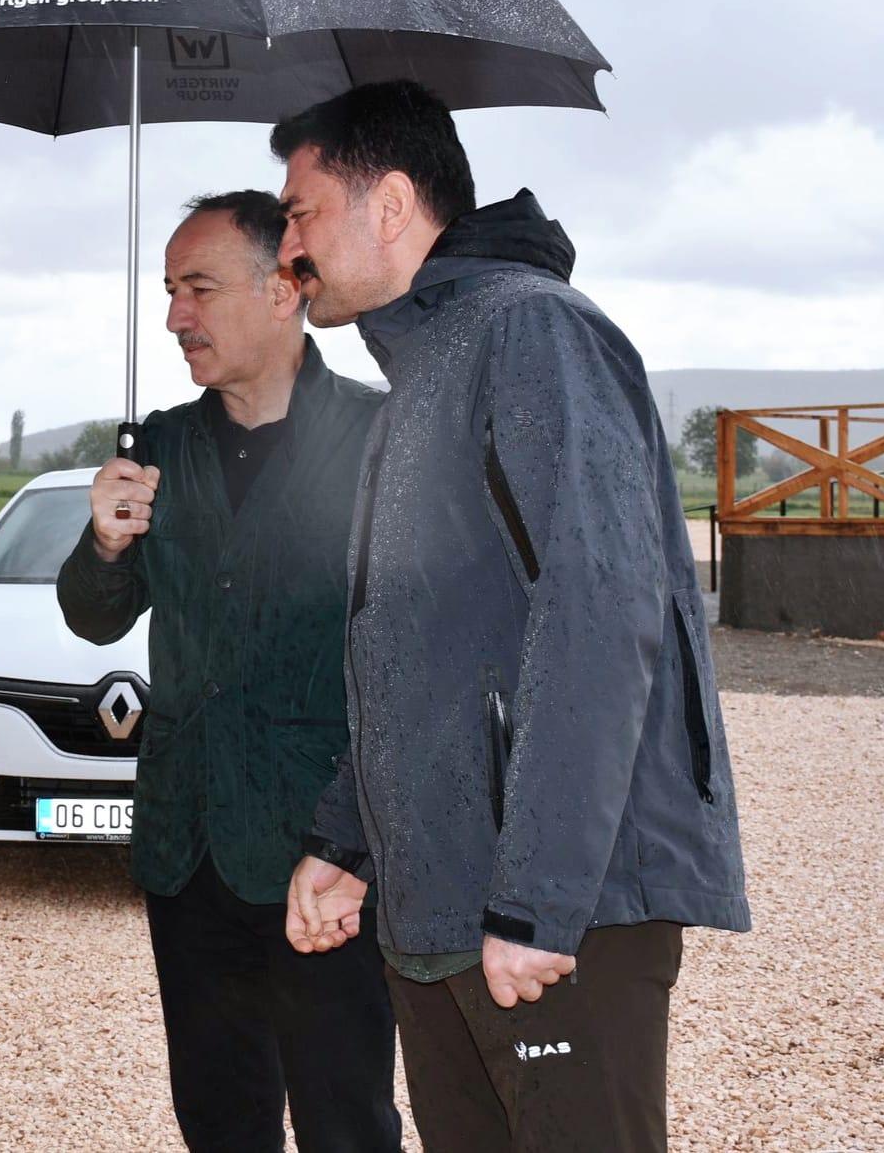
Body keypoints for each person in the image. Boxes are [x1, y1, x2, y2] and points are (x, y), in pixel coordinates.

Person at [273, 81, 751, 1152]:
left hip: (551, 920)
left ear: (388, 202)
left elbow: (597, 616)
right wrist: (347, 840)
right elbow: (410, 654)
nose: (285, 244)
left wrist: (536, 901)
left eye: (300, 213)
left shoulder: (532, 334)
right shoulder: (419, 375)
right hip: (440, 908)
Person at [55, 192, 398, 1153]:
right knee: (217, 1115)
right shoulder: (156, 447)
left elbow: (410, 652)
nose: (174, 317)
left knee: (347, 1117)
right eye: (168, 291)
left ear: (285, 287)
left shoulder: (380, 438)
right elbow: (93, 618)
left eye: (198, 288)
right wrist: (106, 543)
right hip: (186, 847)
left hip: (325, 855)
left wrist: (358, 838)